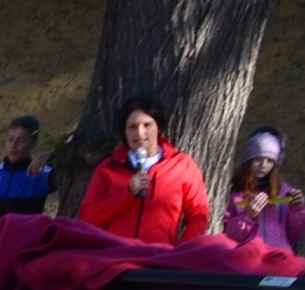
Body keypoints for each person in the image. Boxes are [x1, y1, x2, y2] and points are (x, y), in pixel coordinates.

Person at [78, 95, 212, 245]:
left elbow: (199, 214)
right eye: (132, 127)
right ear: (124, 131)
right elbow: (87, 217)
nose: (140, 133)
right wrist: (127, 195)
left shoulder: (182, 165)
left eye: (147, 125)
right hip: (116, 253)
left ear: (158, 127)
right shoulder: (108, 168)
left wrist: (183, 250)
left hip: (159, 255)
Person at [220, 127, 305, 253]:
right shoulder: (236, 193)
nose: (263, 165)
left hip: (279, 255)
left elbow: (296, 234)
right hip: (247, 256)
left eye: (269, 161)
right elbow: (230, 236)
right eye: (258, 159)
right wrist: (247, 217)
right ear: (248, 160)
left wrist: (298, 209)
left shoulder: (284, 191)